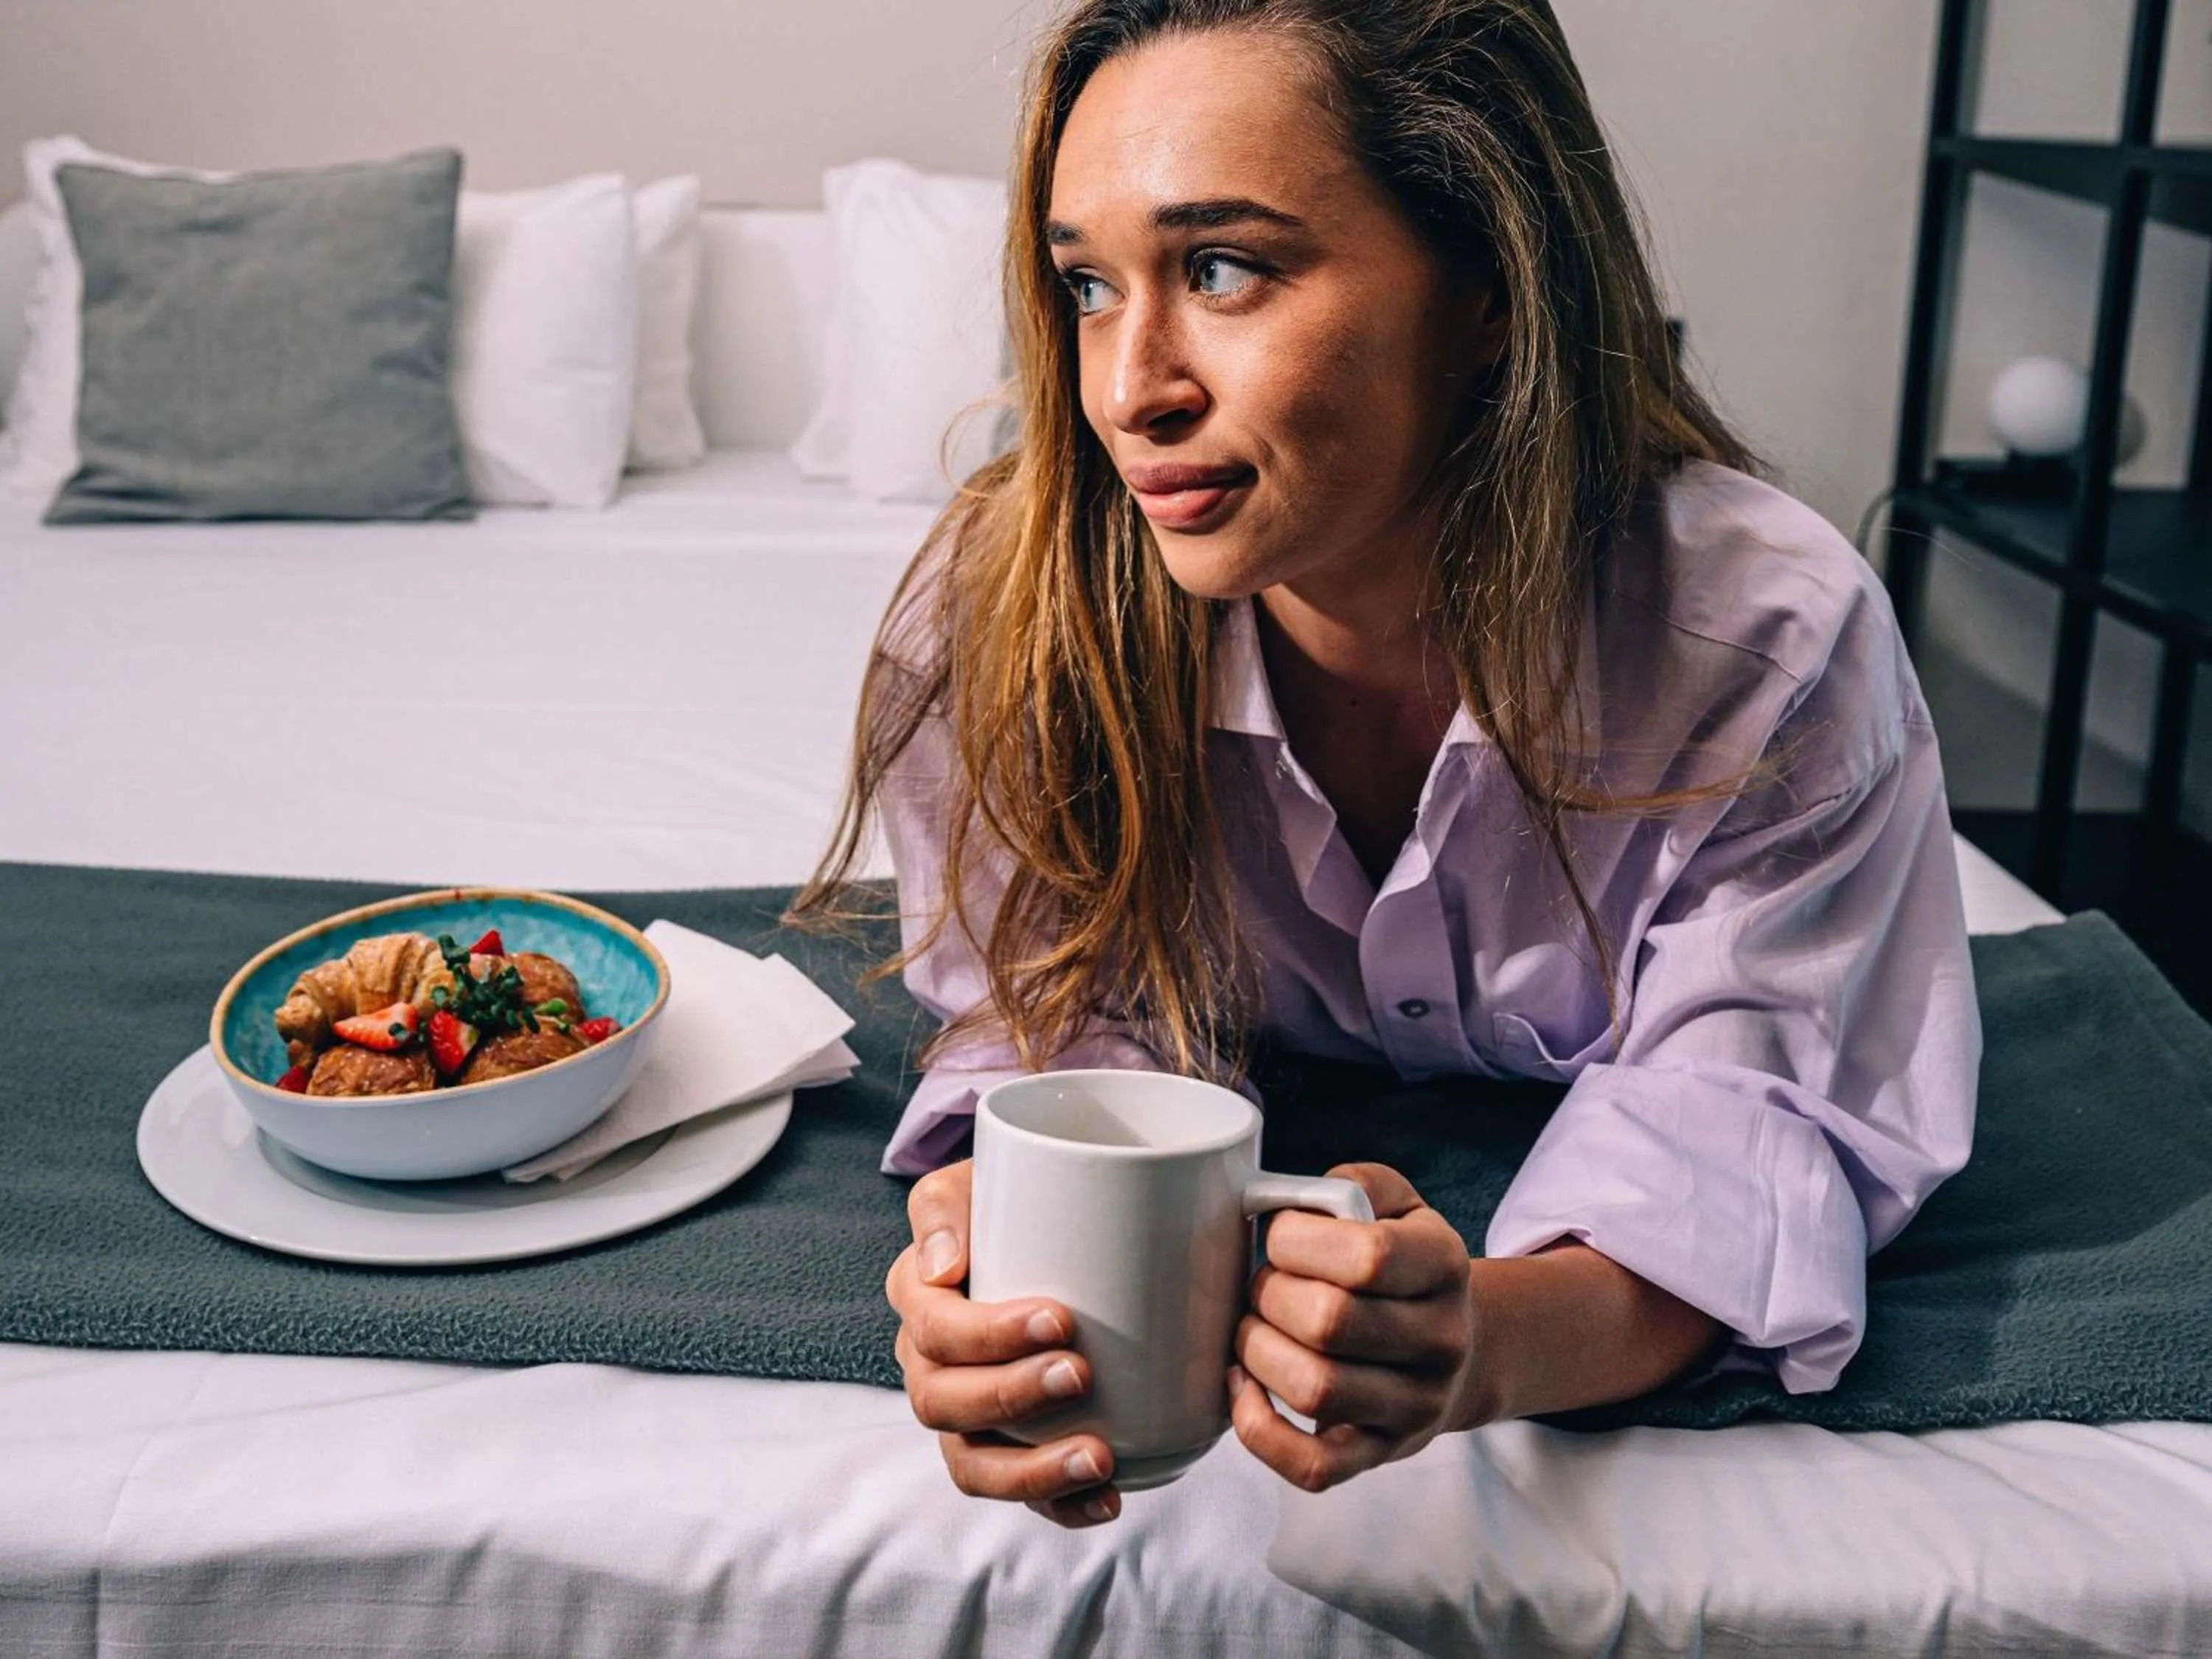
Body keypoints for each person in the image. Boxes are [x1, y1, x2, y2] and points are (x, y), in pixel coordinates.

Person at [791, 0, 1980, 1529]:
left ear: (1488, 281)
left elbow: (1746, 1128)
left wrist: (1483, 1343)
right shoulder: (1005, 620)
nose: (1126, 389)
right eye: (1088, 286)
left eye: (1222, 269)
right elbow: (1046, 1026)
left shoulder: (1764, 643)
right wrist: (991, 1242)